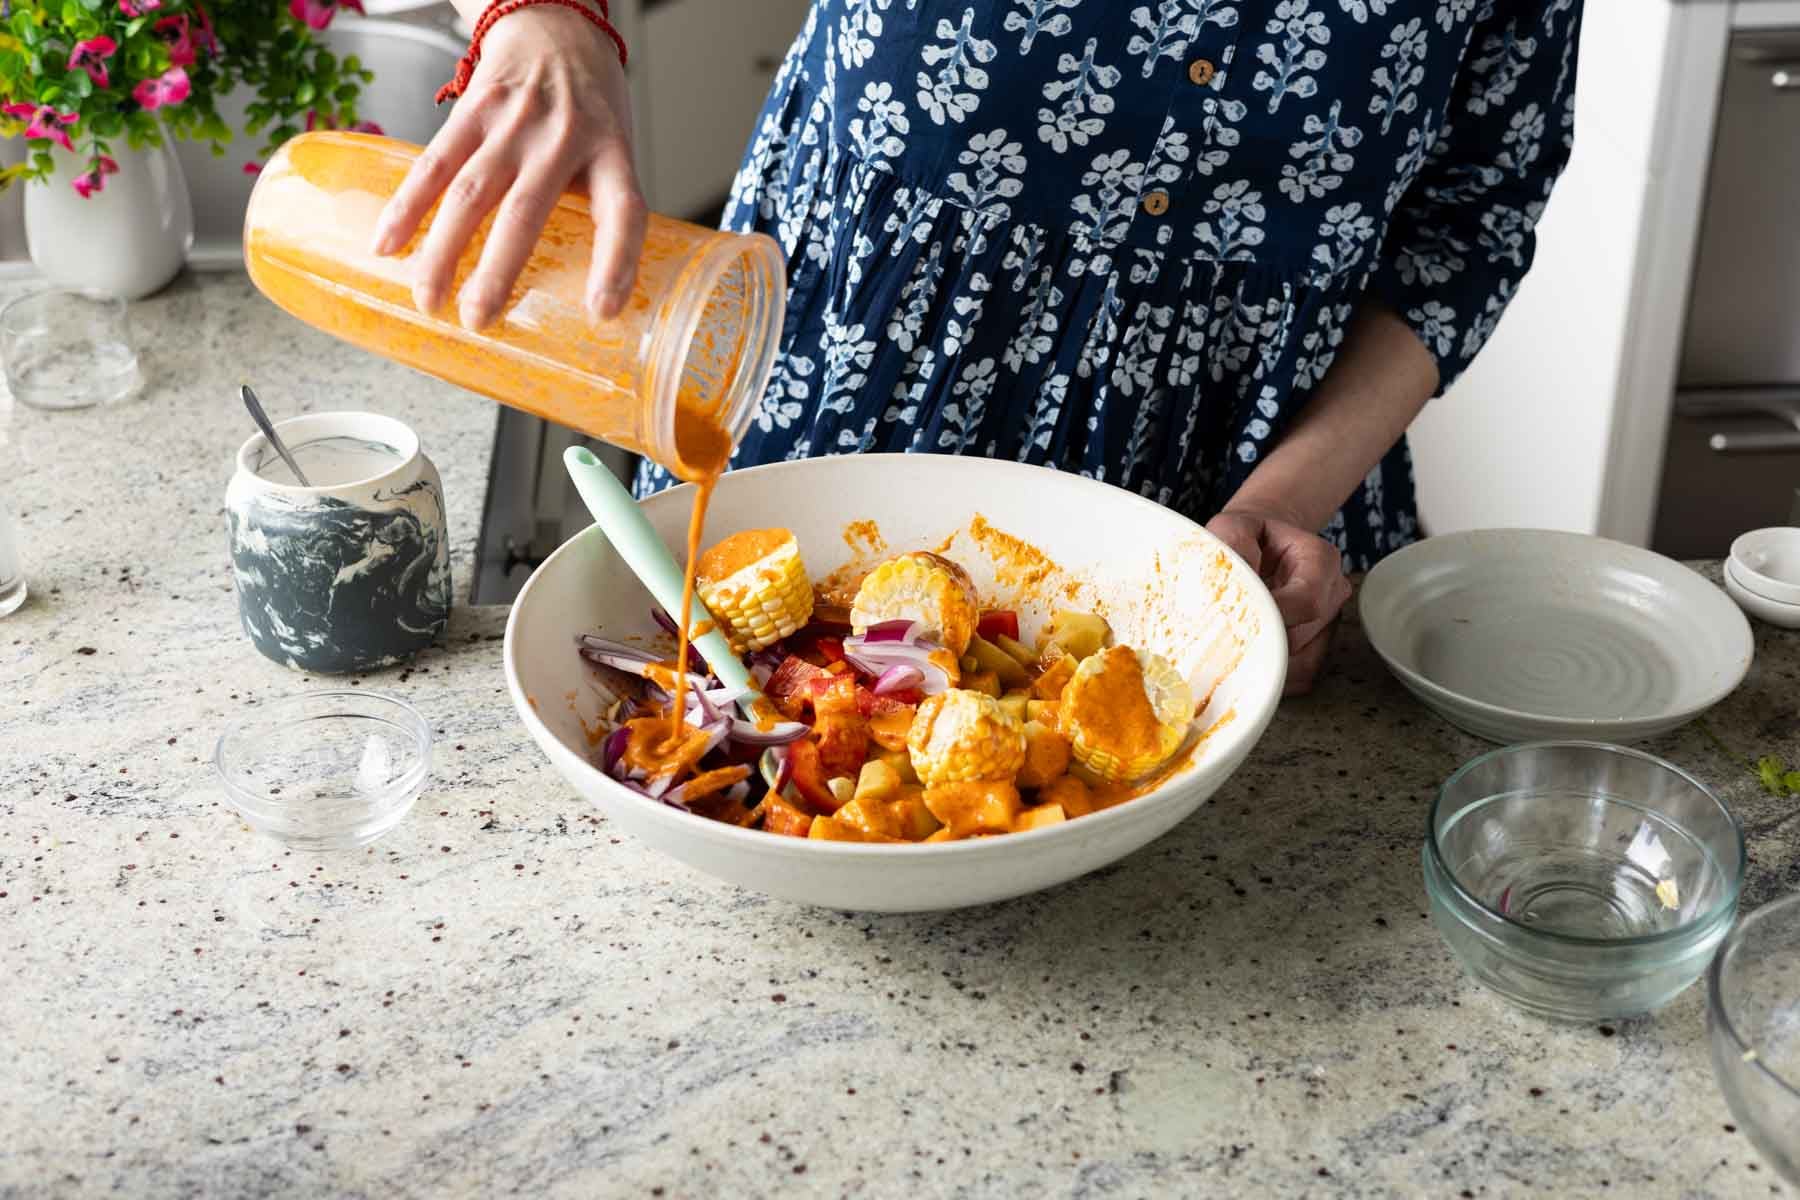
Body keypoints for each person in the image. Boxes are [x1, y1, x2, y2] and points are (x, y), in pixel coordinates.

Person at [373, 0, 1583, 694]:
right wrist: (542, 16)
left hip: (1258, 479)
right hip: (847, 399)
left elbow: (1471, 221)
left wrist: (1282, 504)